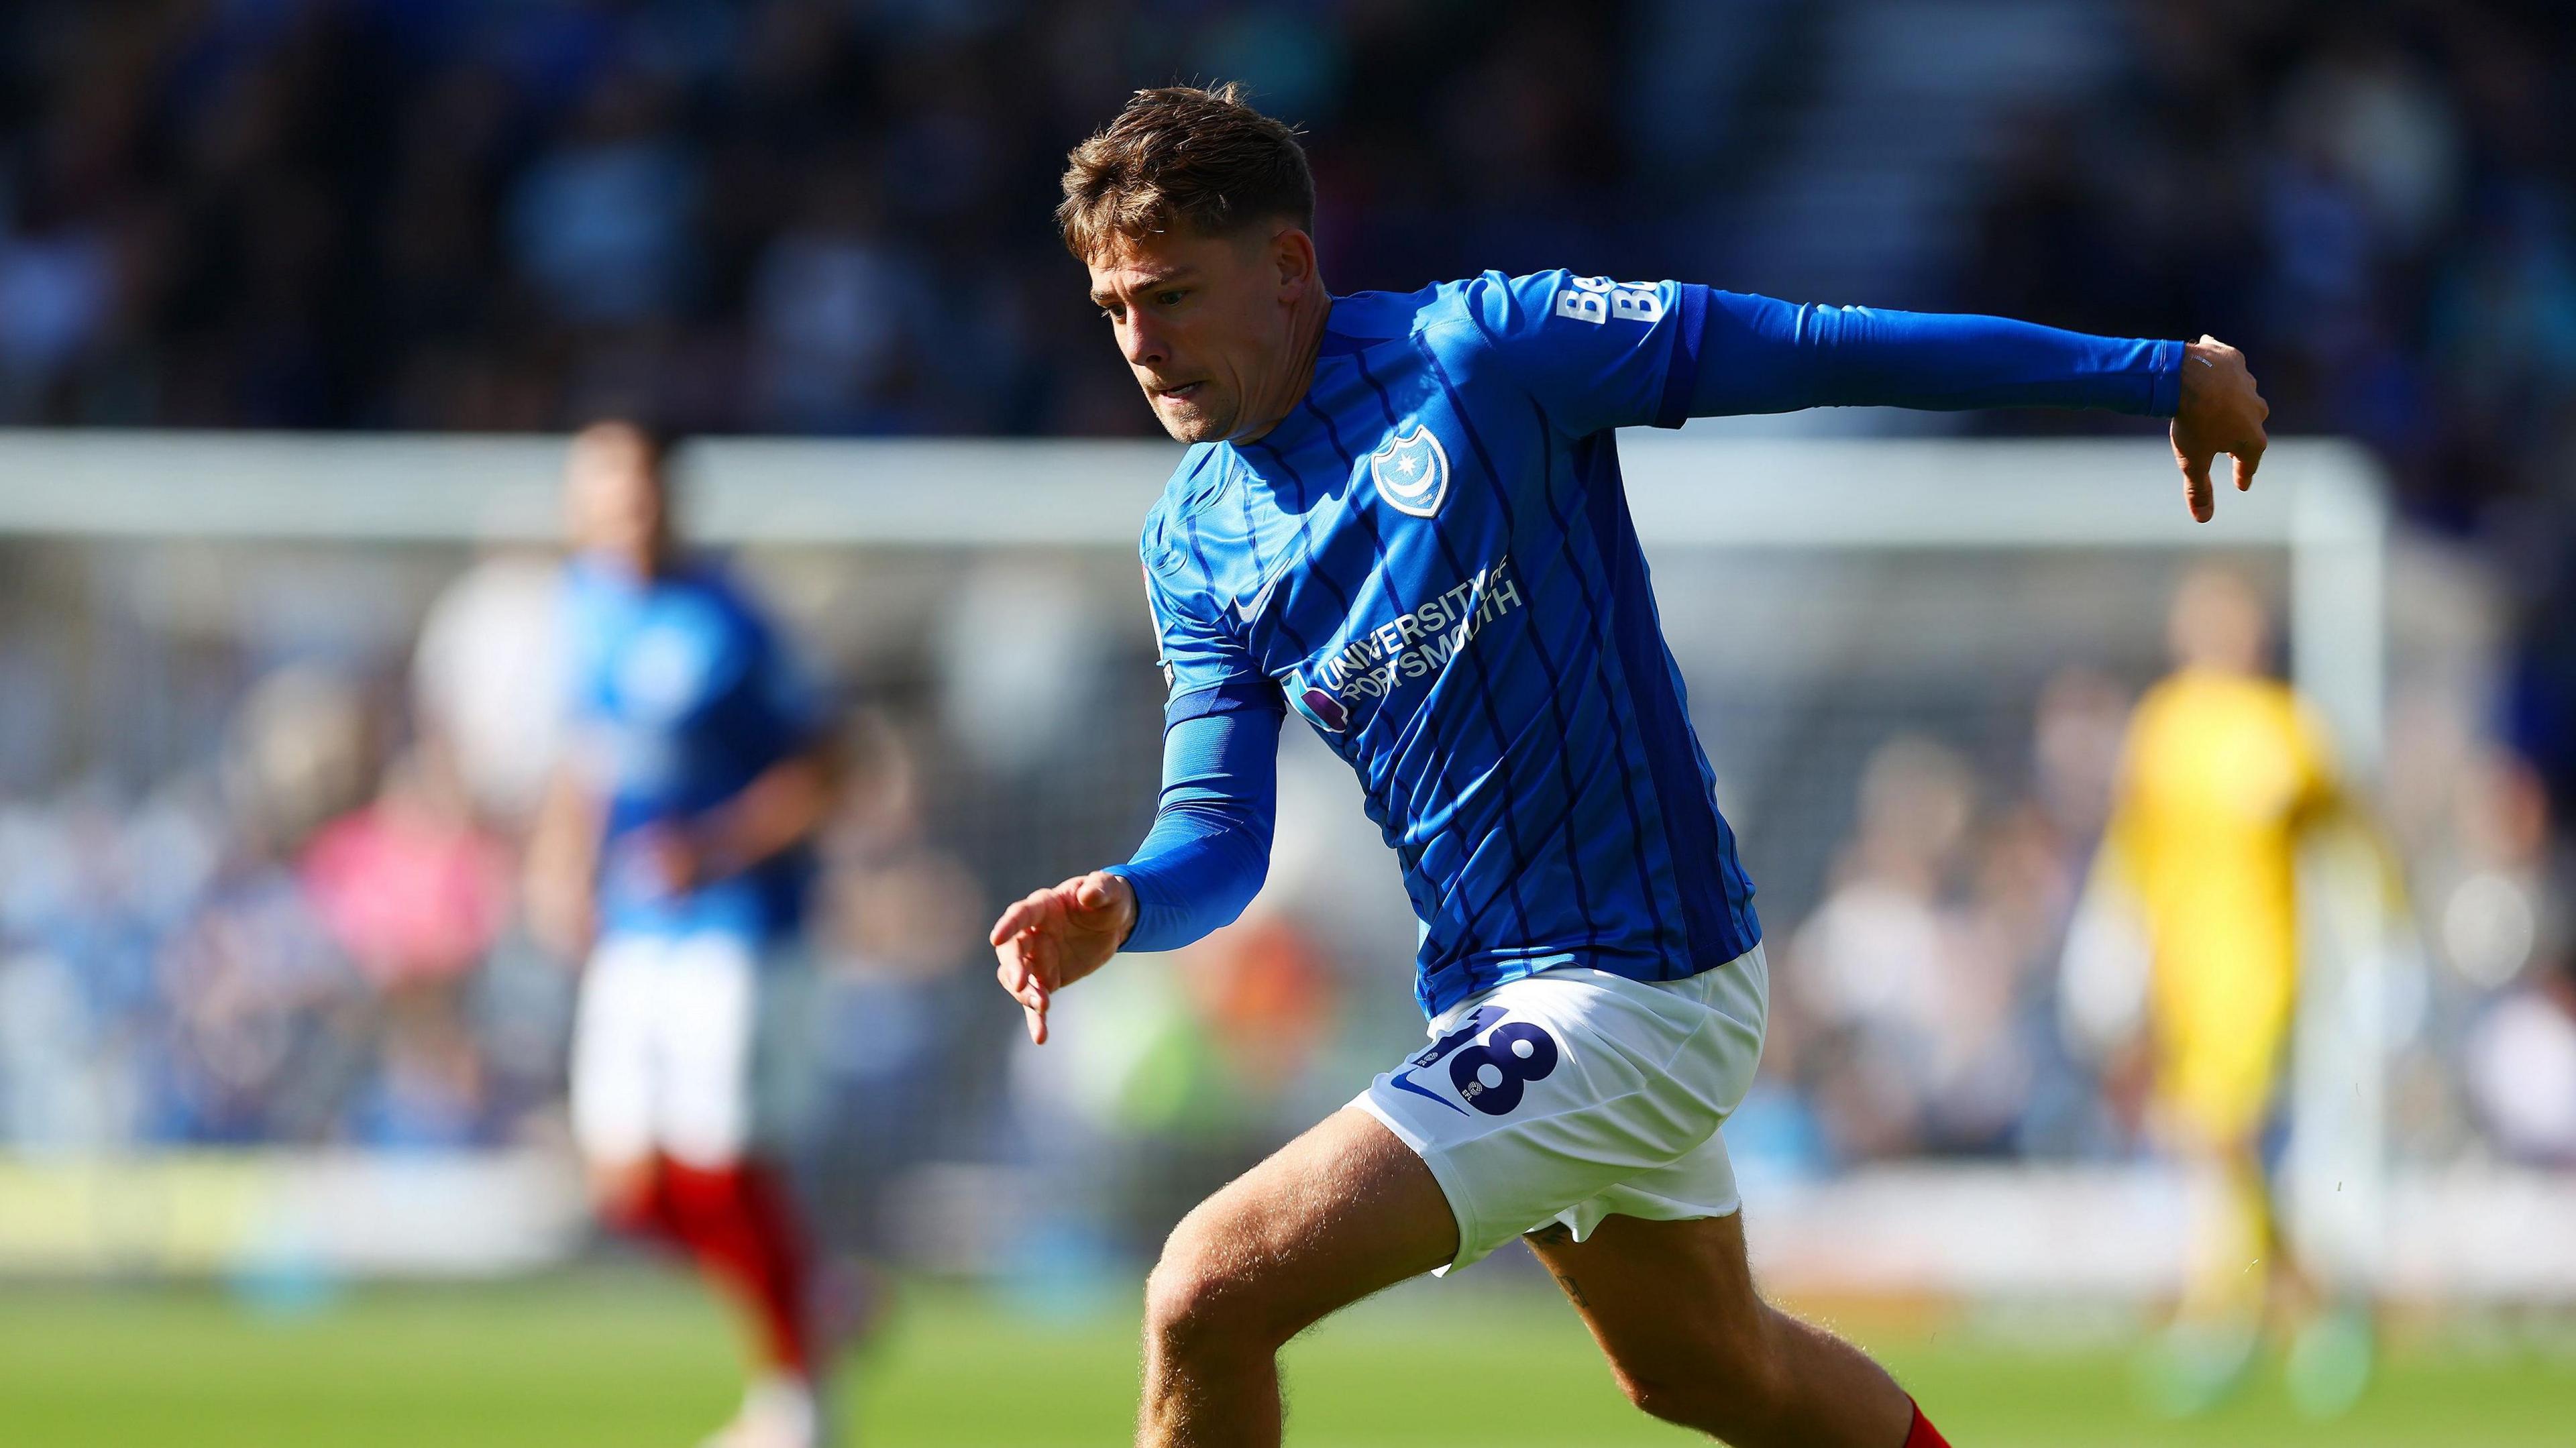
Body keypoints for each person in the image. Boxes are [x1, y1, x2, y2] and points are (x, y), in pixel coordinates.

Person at [987, 84, 2269, 1448]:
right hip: (1498, 997)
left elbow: (1818, 348)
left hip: (1639, 983)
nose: (1141, 343)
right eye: (1115, 310)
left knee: (1206, 1284)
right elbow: (1220, 830)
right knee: (1714, 1373)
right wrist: (1127, 899)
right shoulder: (1194, 541)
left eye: (1171, 295)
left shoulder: (1486, 353)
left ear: (1290, 267)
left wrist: (2150, 373)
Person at [525, 420, 844, 1448]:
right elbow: (591, 755)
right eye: (600, 487)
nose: (620, 507)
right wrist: (560, 862)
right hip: (634, 925)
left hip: (735, 925)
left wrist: (712, 845)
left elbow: (831, 769)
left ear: (671, 496)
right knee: (623, 1185)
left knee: (718, 1161)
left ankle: (795, 1397)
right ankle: (819, 1288)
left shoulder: (733, 622)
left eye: (637, 486)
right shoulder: (584, 606)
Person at [2090, 566, 2380, 1416]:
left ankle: (2219, 1318)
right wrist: (2109, 939)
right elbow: (2130, 840)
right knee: (2206, 1139)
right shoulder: (2162, 726)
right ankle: (2317, 1303)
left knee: (2219, 1130)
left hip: (2262, 965)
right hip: (2180, 968)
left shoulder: (2289, 730)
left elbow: (2356, 835)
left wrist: (2382, 940)